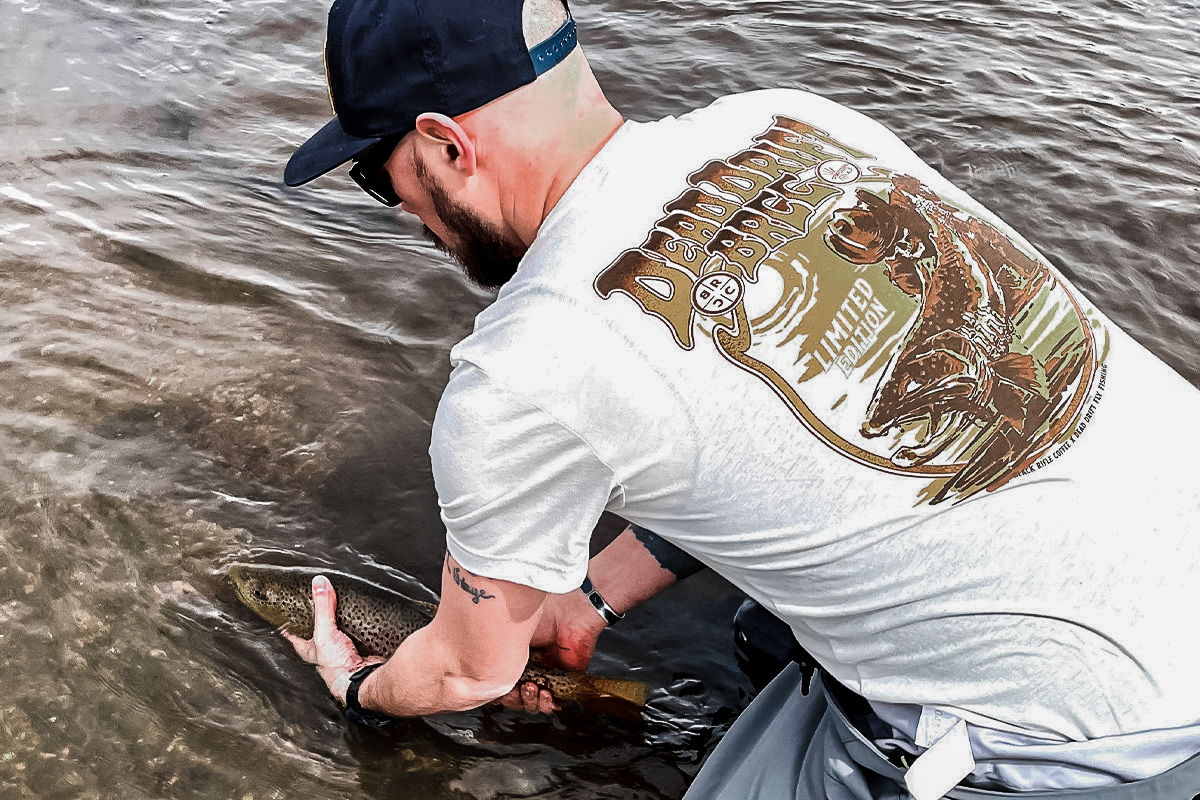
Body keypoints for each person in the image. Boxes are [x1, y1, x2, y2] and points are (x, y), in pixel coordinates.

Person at [277, 0, 1200, 797]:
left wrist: (361, 690)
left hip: (1094, 743)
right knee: (767, 624)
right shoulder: (792, 119)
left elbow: (468, 672)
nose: (400, 209)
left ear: (446, 142)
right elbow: (778, 421)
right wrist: (590, 601)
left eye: (376, 174)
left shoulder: (521, 368)